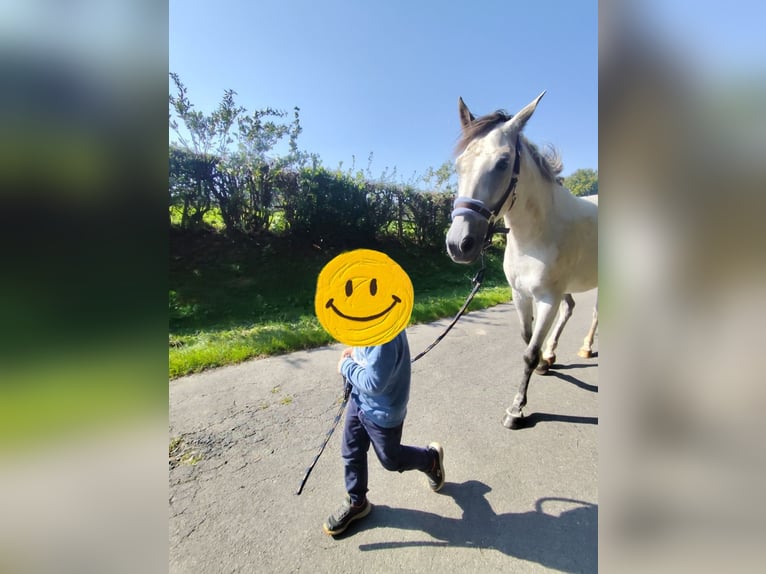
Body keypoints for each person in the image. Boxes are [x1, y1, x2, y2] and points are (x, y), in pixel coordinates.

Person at [323, 329, 445, 536]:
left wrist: (346, 366)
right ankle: (357, 501)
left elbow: (374, 383)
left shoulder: (385, 334)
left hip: (383, 412)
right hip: (359, 400)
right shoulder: (368, 317)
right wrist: (356, 352)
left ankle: (430, 460)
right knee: (351, 451)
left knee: (391, 459)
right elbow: (368, 354)